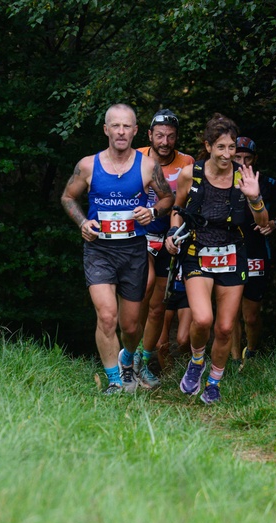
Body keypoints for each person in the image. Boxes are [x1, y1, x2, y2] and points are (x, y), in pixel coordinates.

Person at [61, 103, 173, 395]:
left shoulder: (148, 166)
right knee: (107, 315)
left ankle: (127, 358)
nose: (121, 131)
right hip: (99, 250)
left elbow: (168, 198)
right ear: (106, 130)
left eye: (126, 126)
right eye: (115, 126)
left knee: (131, 326)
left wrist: (153, 212)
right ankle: (114, 381)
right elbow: (68, 197)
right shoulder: (88, 165)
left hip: (134, 250)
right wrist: (83, 222)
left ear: (135, 131)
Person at [165, 114, 268, 404]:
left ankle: (214, 382)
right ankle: (197, 361)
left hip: (233, 252)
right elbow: (177, 208)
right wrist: (172, 232)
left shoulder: (244, 177)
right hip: (197, 251)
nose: (227, 154)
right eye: (220, 147)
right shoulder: (191, 174)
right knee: (202, 319)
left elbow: (262, 222)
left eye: (231, 147)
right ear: (208, 146)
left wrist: (254, 197)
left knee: (224, 327)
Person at [134, 109, 195, 388]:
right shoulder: (136, 157)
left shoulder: (187, 163)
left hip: (171, 238)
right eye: (159, 136)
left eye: (170, 136)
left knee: (158, 308)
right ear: (150, 135)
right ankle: (128, 354)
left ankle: (143, 362)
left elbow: (187, 203)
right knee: (144, 287)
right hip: (141, 234)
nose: (165, 142)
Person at [229, 136, 276, 369]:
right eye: (237, 157)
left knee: (251, 315)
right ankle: (235, 360)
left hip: (257, 251)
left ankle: (252, 353)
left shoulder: (266, 183)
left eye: (247, 158)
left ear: (255, 159)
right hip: (228, 250)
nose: (242, 162)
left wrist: (275, 223)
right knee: (230, 312)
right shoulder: (220, 182)